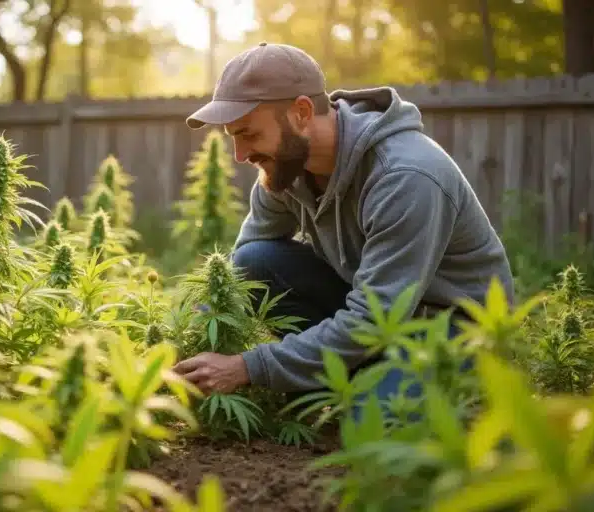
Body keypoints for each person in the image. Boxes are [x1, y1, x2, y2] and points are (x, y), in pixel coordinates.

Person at [171, 42, 515, 408]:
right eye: (233, 137)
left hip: (453, 333)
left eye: (249, 135)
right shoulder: (285, 168)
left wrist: (246, 368)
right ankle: (347, 378)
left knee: (375, 423)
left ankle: (374, 388)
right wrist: (184, 337)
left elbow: (373, 318)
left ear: (301, 112)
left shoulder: (405, 176)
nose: (240, 156)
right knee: (255, 261)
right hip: (378, 316)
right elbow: (238, 273)